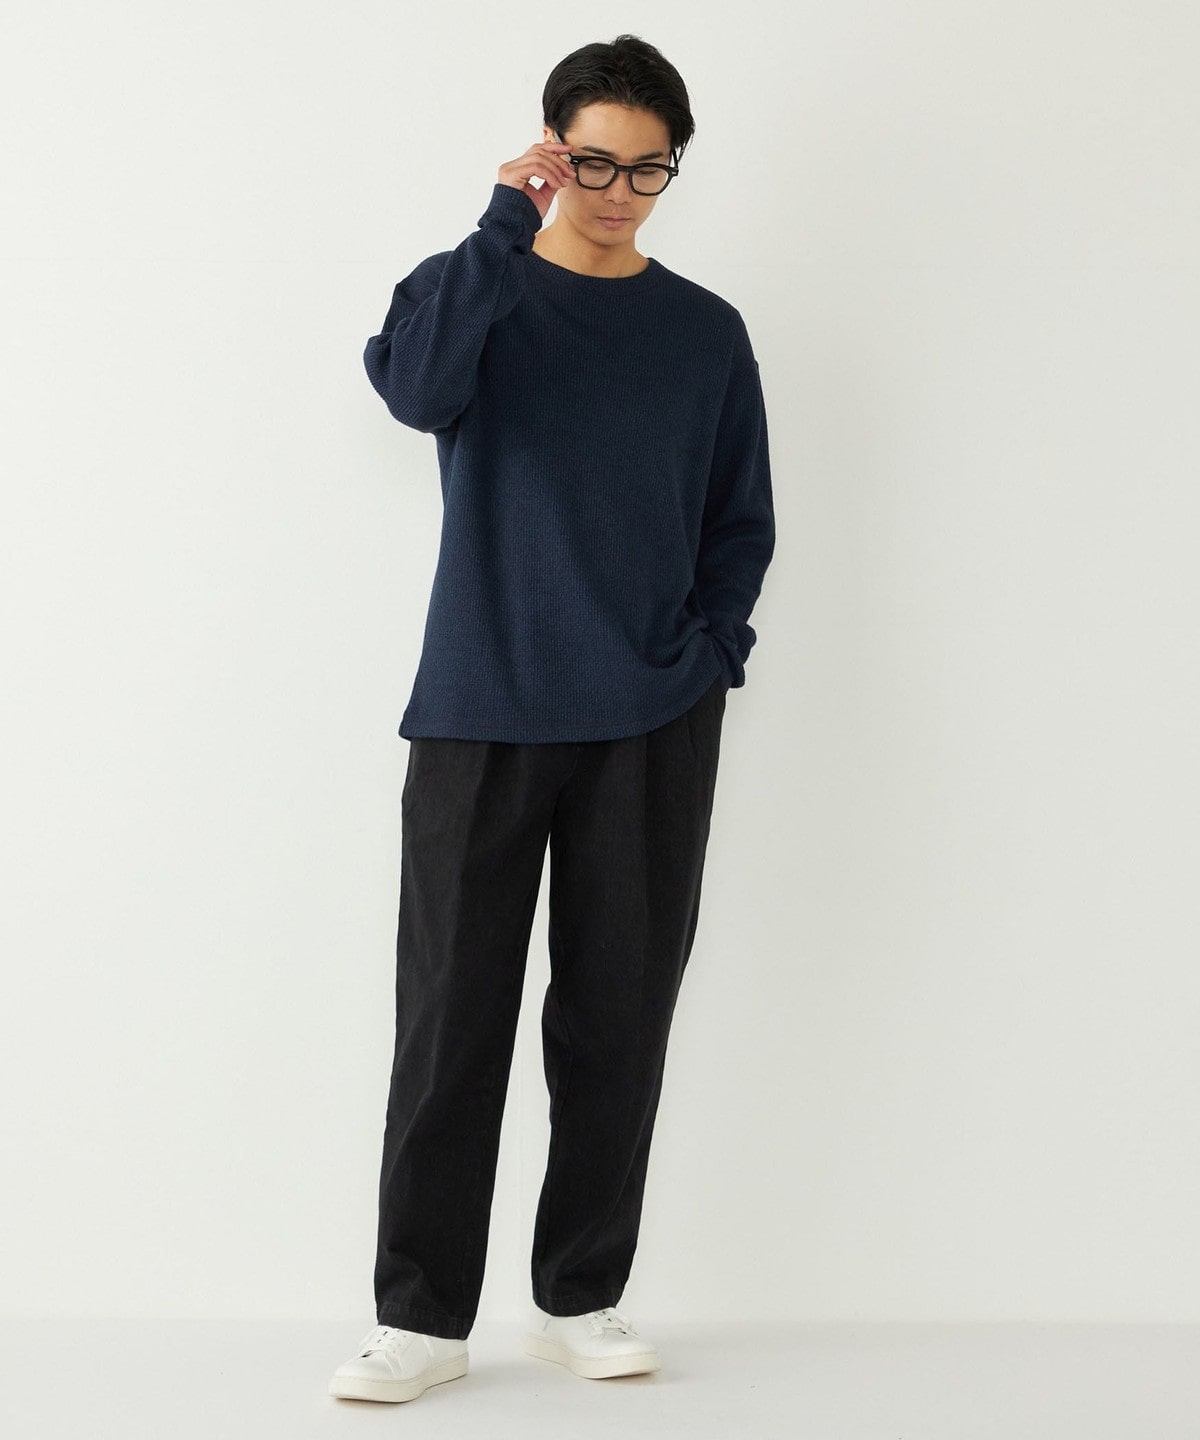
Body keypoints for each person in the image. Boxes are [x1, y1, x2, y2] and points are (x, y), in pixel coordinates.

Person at [329, 33, 775, 1405]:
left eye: (648, 169)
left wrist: (708, 654)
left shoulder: (705, 333)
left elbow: (739, 520)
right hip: (483, 701)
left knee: (616, 1017)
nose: (619, 191)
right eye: (594, 162)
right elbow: (414, 391)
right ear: (548, 150)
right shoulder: (477, 290)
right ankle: (419, 1319)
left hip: (651, 716)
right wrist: (497, 223)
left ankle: (580, 1295)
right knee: (449, 1016)